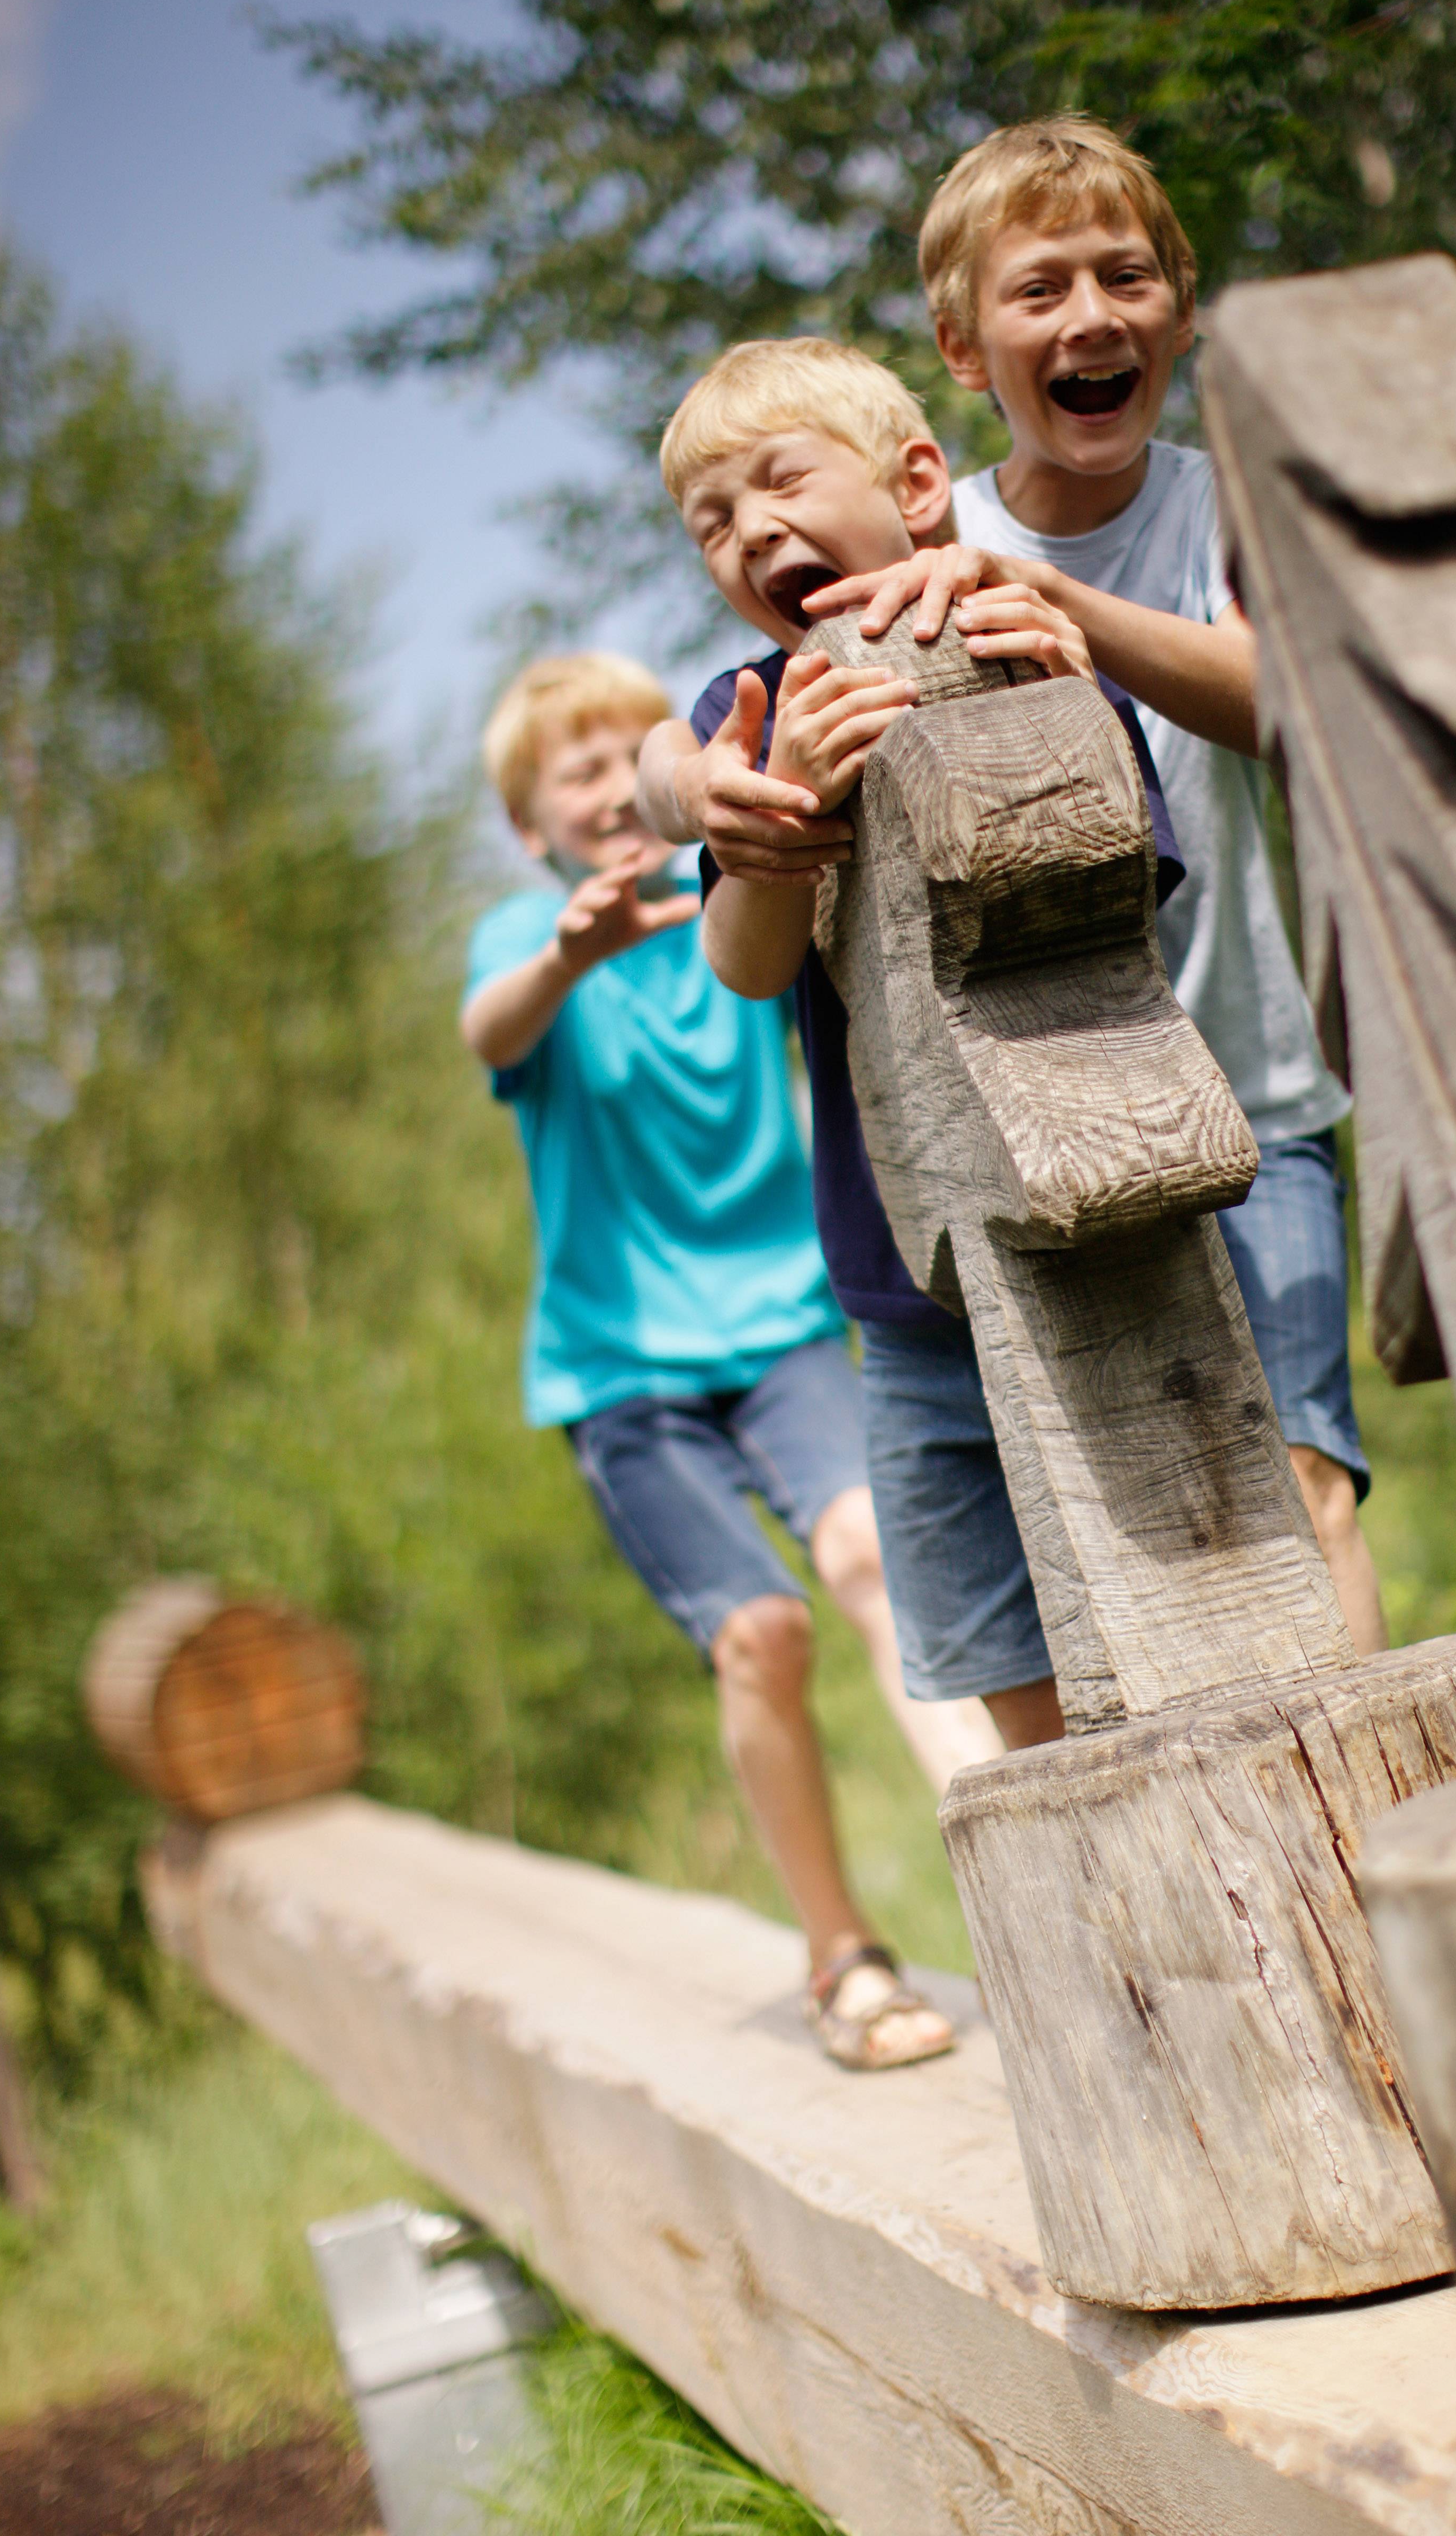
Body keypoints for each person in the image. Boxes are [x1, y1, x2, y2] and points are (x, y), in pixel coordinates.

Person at [798, 116, 1386, 1655]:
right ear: (962, 350)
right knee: (1121, 1538)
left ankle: (1387, 1858)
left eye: (1125, 278)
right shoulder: (932, 538)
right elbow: (752, 696)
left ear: (1181, 314)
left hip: (1252, 1090)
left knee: (1307, 1478)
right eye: (1039, 290)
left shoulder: (1217, 509)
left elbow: (1289, 704)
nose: (1089, 319)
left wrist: (1071, 613)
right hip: (1033, 1121)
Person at [635, 341, 1187, 1754]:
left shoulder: (1005, 625)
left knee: (1185, 1593)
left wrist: (1044, 691)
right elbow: (747, 969)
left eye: (781, 483)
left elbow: (1133, 875)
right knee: (1013, 1673)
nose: (752, 530)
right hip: (902, 1283)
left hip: (1111, 1216)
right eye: (713, 523)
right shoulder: (743, 716)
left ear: (920, 484)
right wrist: (774, 824)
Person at [462, 650, 995, 2071]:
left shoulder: (733, 899)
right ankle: (844, 1958)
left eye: (623, 756)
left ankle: (1014, 1879)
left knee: (879, 1559)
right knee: (760, 1635)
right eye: (570, 774)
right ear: (536, 825)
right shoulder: (533, 937)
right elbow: (487, 1031)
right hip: (623, 1370)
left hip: (782, 1328)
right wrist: (566, 958)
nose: (606, 789)